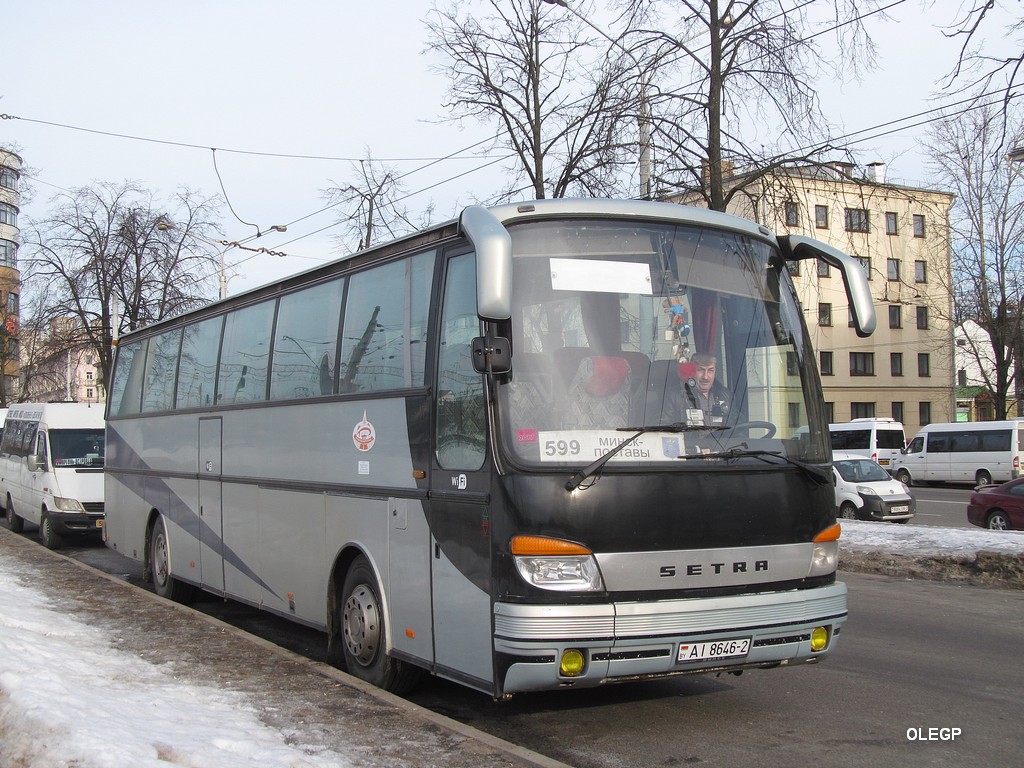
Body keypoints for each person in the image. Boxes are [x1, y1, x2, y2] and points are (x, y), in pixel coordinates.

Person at [661, 352, 732, 426]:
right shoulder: (675, 396)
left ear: (715, 372)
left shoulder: (725, 395)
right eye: (701, 370)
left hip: (722, 438)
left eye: (710, 370)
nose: (705, 377)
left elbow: (739, 427)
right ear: (691, 371)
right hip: (689, 438)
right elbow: (663, 429)